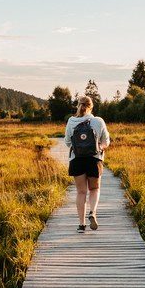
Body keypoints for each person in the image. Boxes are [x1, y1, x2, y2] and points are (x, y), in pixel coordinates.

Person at [64, 97, 111, 233]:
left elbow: (67, 142)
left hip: (76, 160)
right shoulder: (98, 121)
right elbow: (106, 142)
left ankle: (81, 224)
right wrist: (99, 147)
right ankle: (92, 212)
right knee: (94, 189)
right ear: (91, 107)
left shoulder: (71, 121)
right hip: (94, 160)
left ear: (78, 106)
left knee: (81, 192)